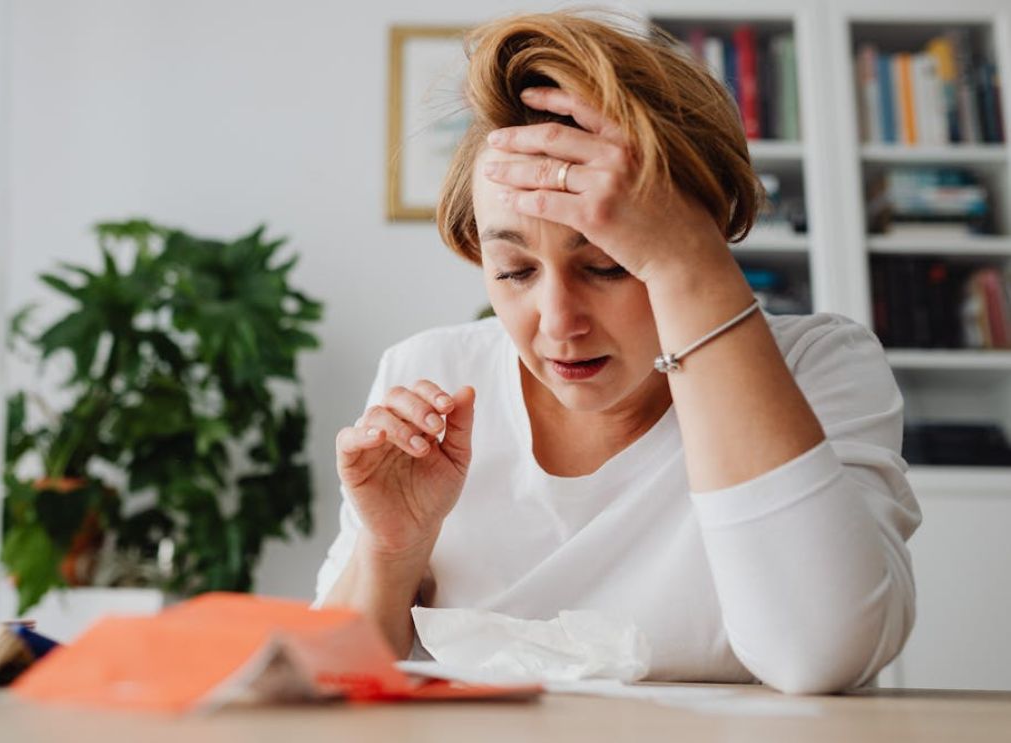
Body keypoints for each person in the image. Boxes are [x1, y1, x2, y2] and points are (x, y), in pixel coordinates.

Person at [314, 9, 921, 695]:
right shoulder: (432, 373)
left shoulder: (818, 366)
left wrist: (690, 263)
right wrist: (392, 549)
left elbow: (818, 653)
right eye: (513, 271)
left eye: (607, 265)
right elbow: (334, 679)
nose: (558, 322)